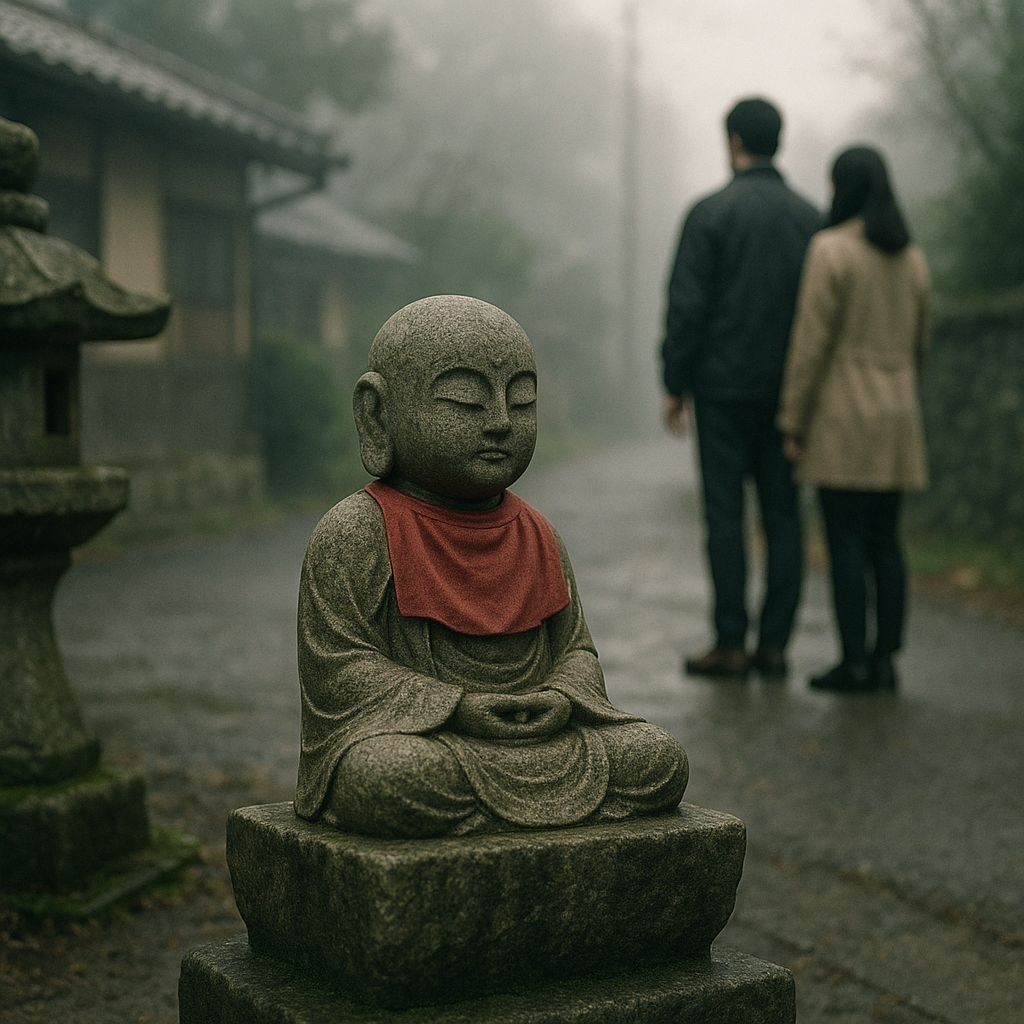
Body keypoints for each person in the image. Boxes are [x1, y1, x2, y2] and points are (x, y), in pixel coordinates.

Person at [295, 295, 689, 838]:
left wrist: (558, 696)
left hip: (539, 739)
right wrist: (457, 706)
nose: (502, 423)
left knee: (654, 758)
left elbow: (573, 648)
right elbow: (339, 669)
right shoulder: (357, 531)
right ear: (377, 412)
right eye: (466, 402)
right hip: (434, 744)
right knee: (390, 777)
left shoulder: (537, 532)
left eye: (522, 401)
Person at [661, 97, 821, 680]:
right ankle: (774, 645)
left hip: (722, 392)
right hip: (788, 396)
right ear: (777, 141)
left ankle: (730, 641)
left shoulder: (708, 214)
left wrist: (675, 383)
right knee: (783, 516)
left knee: (725, 516)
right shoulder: (812, 219)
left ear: (733, 142)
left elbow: (687, 307)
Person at [777, 146, 931, 693]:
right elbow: (920, 342)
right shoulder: (911, 256)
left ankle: (854, 661)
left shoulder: (831, 250)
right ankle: (886, 659)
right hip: (897, 417)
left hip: (844, 414)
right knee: (886, 541)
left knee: (844, 539)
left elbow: (810, 343)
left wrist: (792, 420)